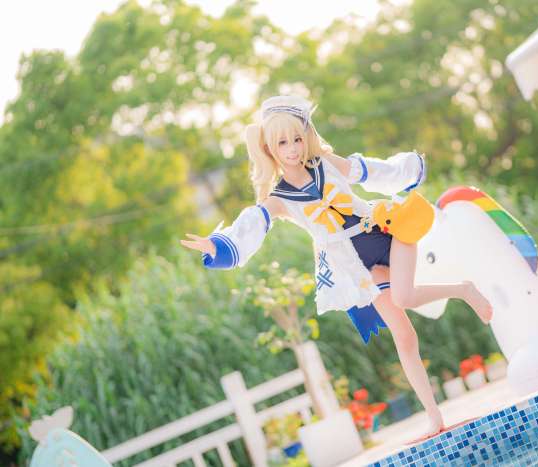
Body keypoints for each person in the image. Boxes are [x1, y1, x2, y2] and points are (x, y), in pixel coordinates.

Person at [180, 95, 493, 443]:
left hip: (387, 230)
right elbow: (253, 224)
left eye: (297, 139)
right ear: (269, 149)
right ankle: (435, 418)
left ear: (307, 137)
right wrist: (218, 245)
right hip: (358, 265)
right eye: (282, 143)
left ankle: (464, 289)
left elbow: (371, 170)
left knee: (405, 297)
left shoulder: (326, 164)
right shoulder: (279, 199)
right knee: (404, 336)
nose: (292, 149)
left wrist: (409, 169)